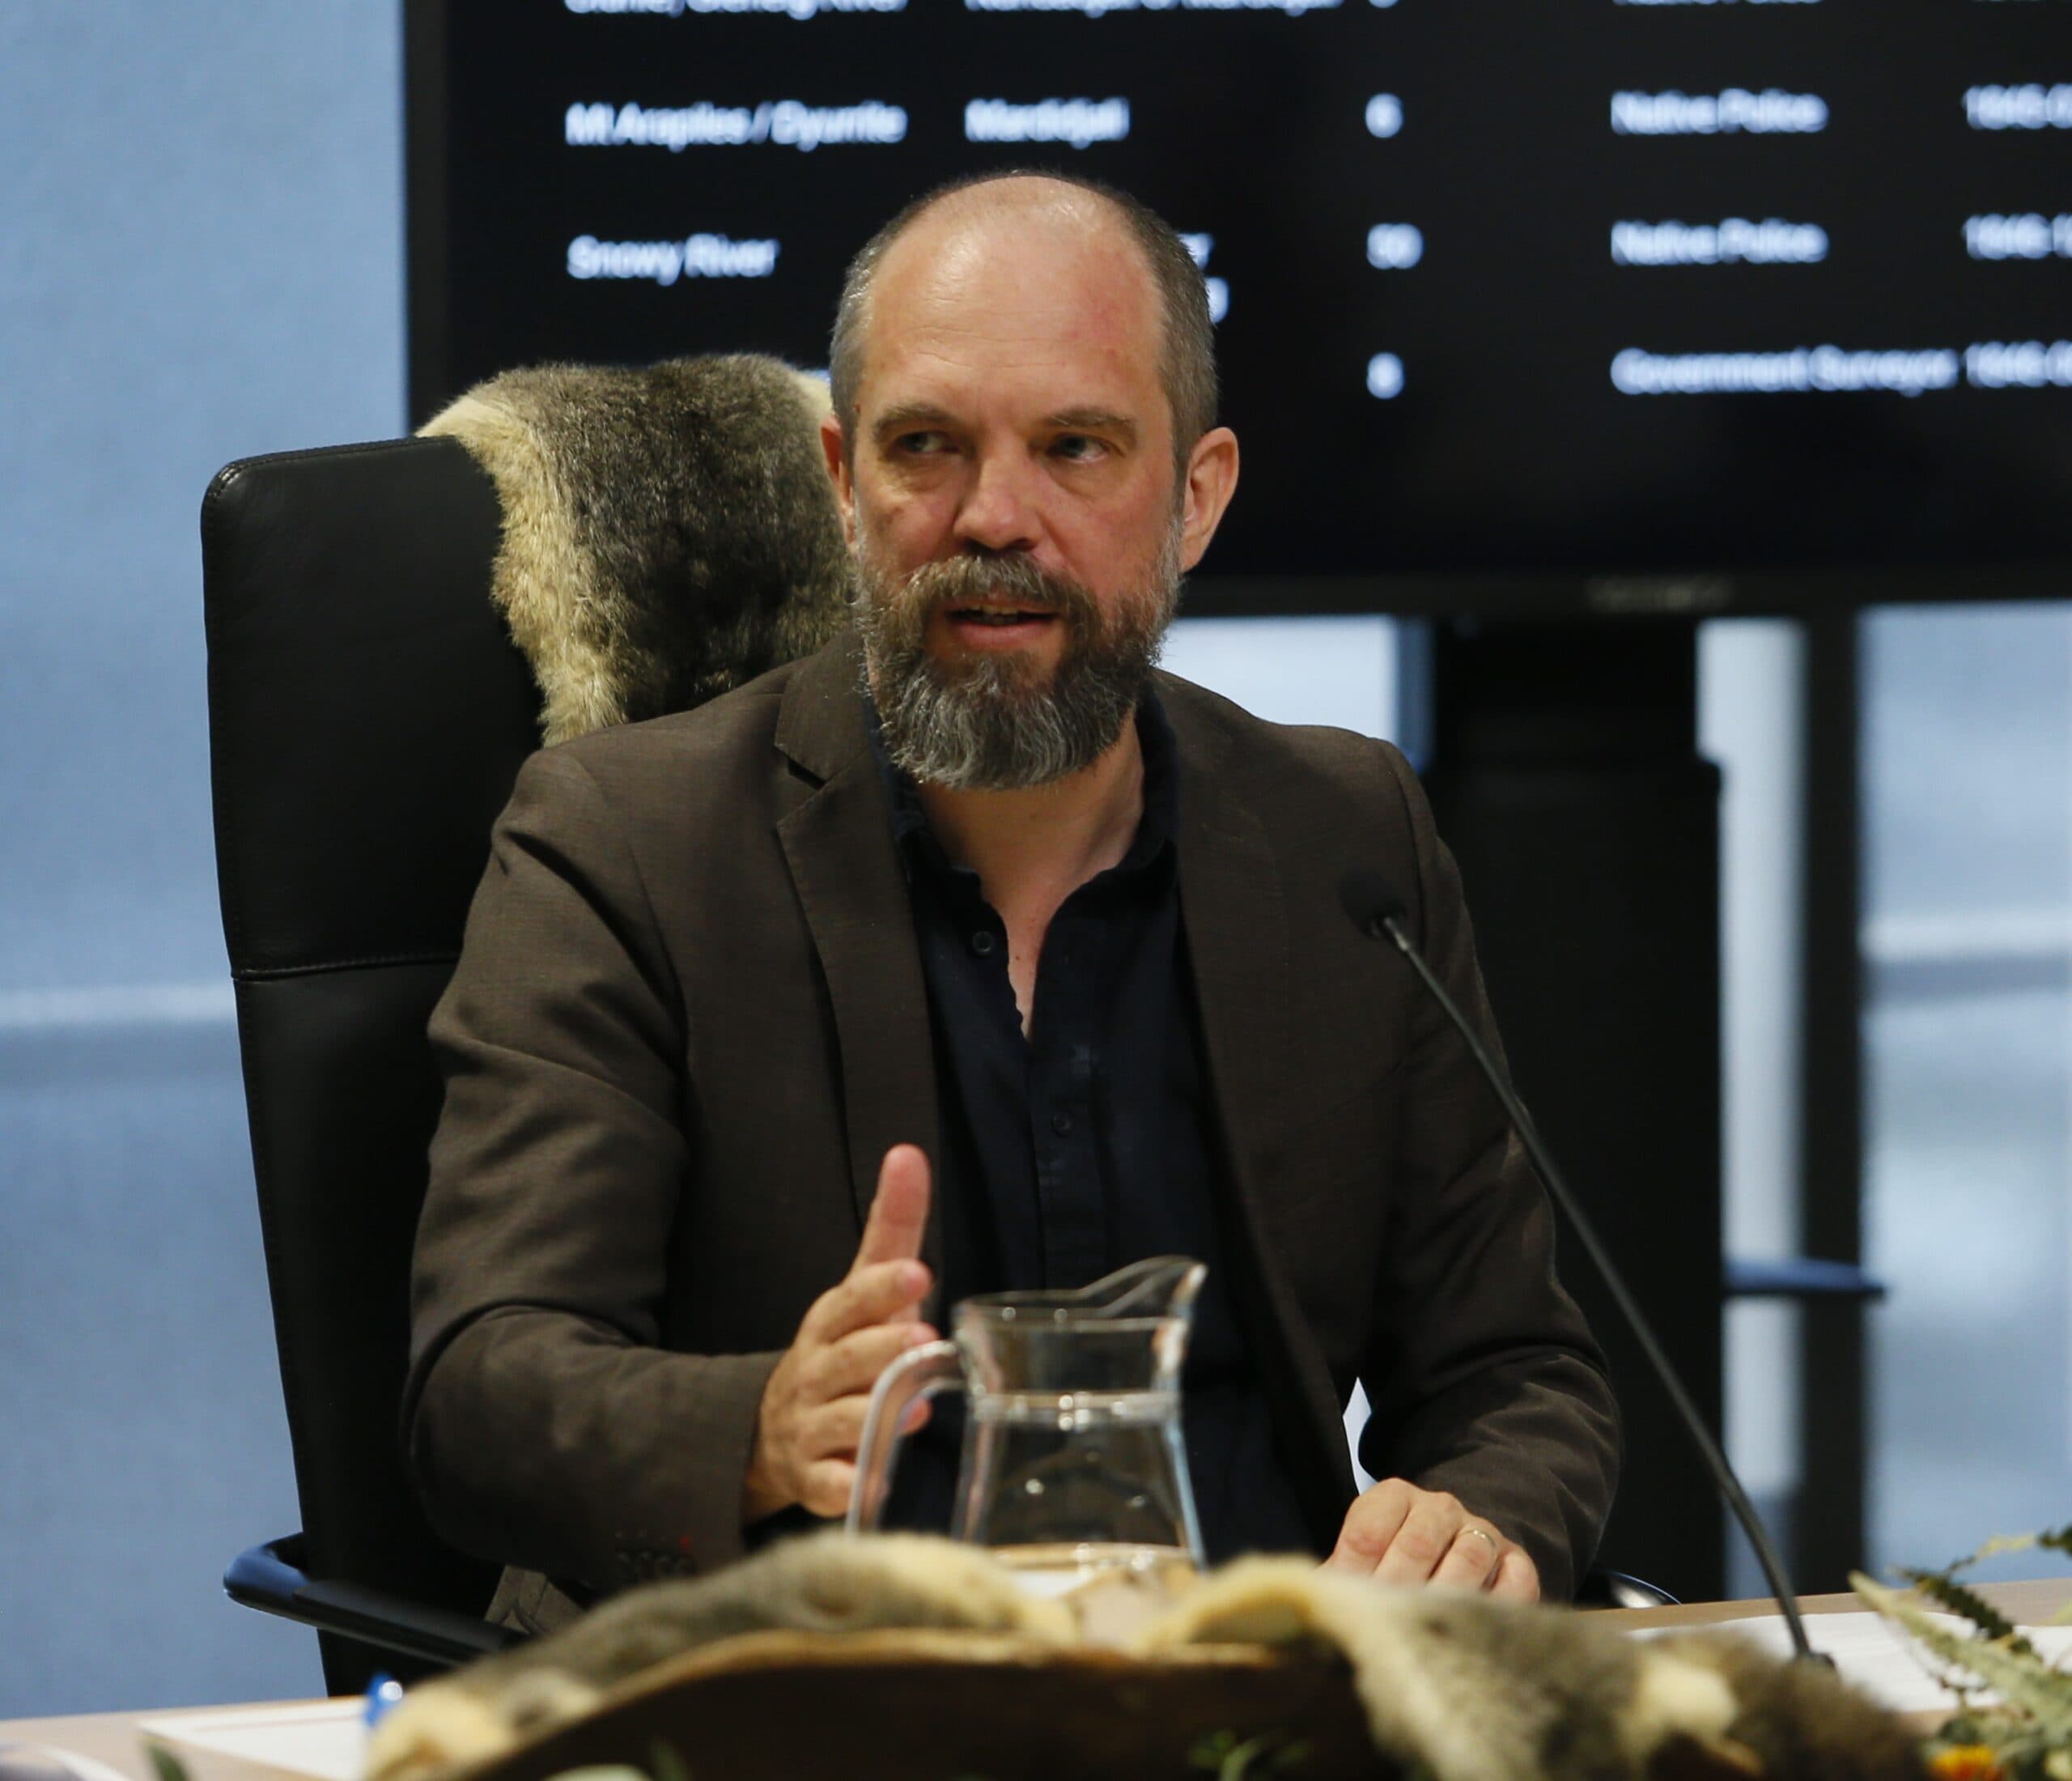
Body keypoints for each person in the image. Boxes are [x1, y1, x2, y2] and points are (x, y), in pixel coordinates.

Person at [405, 171, 1618, 1635]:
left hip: (1247, 1711)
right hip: (797, 1707)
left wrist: (1479, 1523)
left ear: (1196, 497)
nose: (996, 516)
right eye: (929, 446)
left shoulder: (1344, 840)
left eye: (1076, 448)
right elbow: (482, 1383)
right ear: (847, 487)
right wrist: (762, 1426)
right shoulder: (626, 844)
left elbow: (1516, 1375)